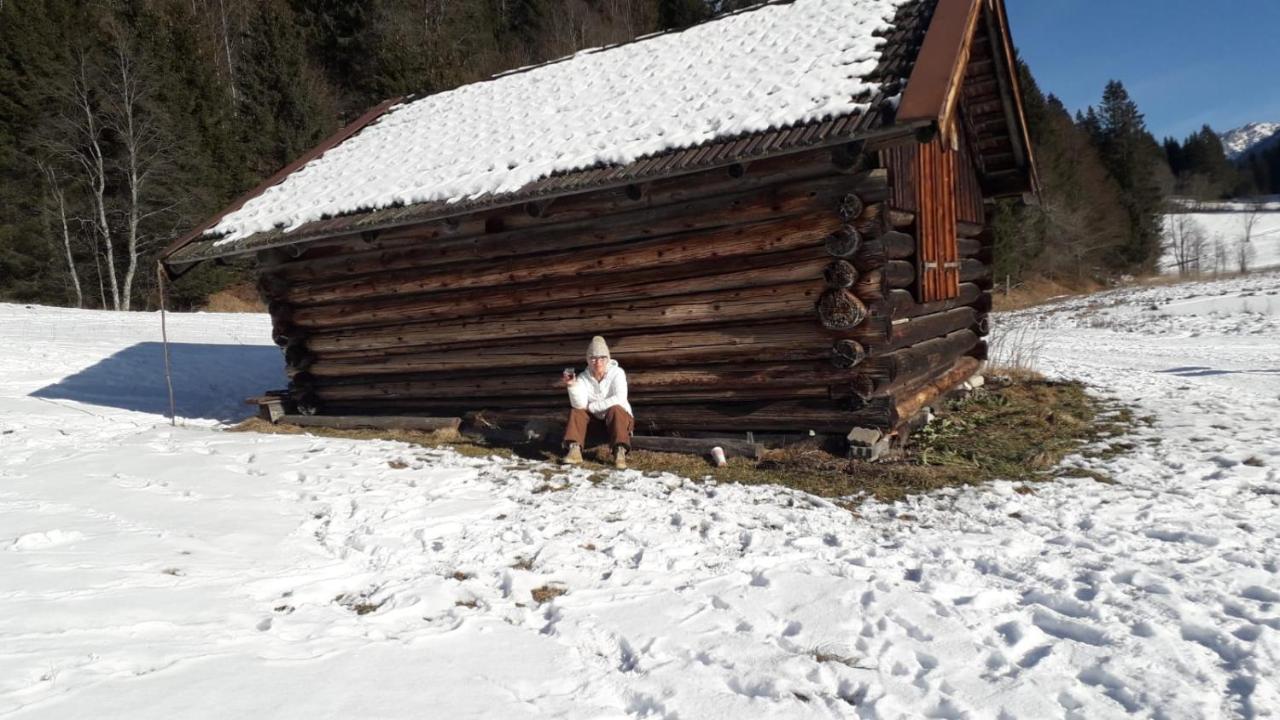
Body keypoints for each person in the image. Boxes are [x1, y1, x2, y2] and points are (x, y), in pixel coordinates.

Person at [561, 336, 633, 469]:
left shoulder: (617, 373)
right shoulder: (583, 377)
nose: (597, 362)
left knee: (616, 408)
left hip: (619, 423)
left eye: (602, 358)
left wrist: (592, 407)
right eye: (593, 358)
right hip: (596, 424)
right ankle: (575, 451)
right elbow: (580, 405)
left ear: (608, 359)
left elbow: (620, 397)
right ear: (588, 360)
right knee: (576, 411)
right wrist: (572, 386)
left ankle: (620, 453)